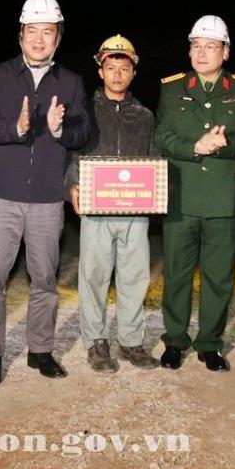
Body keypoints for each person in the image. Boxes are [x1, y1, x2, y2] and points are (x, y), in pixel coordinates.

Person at [0, 0, 90, 384]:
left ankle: (40, 350)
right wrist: (17, 128)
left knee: (44, 280)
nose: (39, 40)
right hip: (0, 194)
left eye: (48, 32)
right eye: (32, 31)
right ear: (21, 33)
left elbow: (83, 132)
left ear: (58, 37)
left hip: (46, 197)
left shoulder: (71, 82)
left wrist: (59, 129)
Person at [156, 15, 235, 372]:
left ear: (226, 52)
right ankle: (175, 341)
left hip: (223, 199)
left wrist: (225, 145)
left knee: (219, 277)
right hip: (182, 198)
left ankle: (209, 344)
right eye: (196, 46)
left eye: (211, 46)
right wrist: (196, 147)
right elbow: (162, 136)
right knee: (177, 274)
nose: (202, 53)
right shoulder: (172, 88)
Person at [65, 35, 160, 373]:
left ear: (133, 73)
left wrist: (159, 190)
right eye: (111, 68)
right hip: (97, 209)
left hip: (135, 211)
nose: (117, 74)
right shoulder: (85, 112)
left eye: (124, 68)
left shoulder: (145, 115)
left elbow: (154, 159)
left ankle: (131, 341)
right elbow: (73, 153)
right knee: (94, 276)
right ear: (100, 71)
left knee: (134, 277)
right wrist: (71, 184)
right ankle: (96, 341)